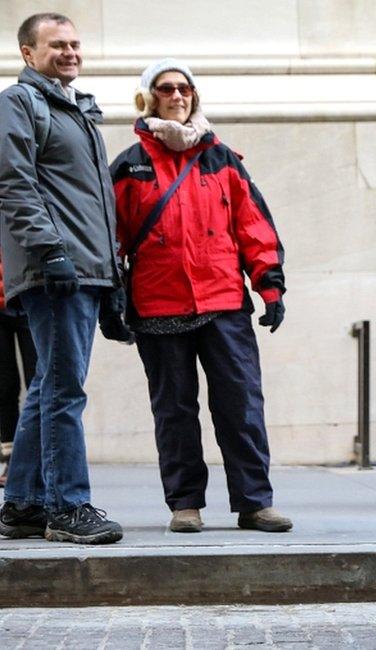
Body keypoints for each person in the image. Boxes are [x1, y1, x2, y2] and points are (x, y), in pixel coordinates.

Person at [109, 59, 291, 534]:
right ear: (149, 98)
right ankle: (185, 503)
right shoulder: (129, 165)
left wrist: (269, 285)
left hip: (224, 302)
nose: (178, 94)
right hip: (157, 305)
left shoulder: (221, 158)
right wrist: (110, 298)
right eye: (167, 88)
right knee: (174, 411)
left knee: (241, 405)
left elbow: (254, 226)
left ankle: (254, 502)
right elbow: (112, 238)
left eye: (185, 87)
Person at [0, 13, 128, 544]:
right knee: (63, 391)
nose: (70, 52)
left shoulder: (77, 110)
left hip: (87, 270)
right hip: (56, 268)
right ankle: (67, 506)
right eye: (57, 45)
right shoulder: (20, 103)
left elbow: (93, 201)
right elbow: (13, 182)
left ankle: (23, 505)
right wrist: (49, 251)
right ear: (28, 53)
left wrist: (112, 276)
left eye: (75, 43)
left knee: (47, 388)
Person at [0, 258, 37, 488]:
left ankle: (34, 458)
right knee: (4, 388)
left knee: (38, 383)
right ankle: (11, 459)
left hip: (29, 298)